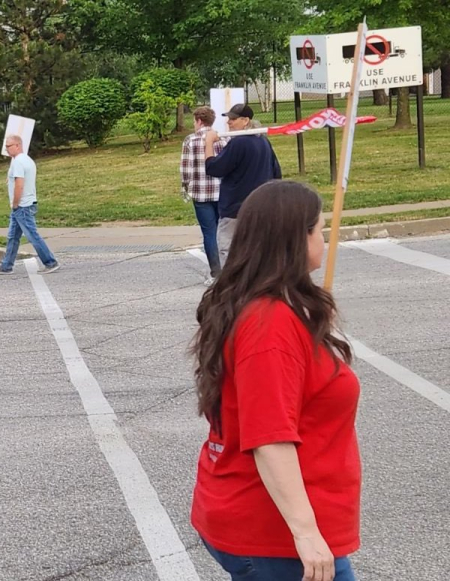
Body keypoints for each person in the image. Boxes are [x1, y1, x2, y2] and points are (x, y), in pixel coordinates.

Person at [190, 180, 360, 581]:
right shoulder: (270, 323)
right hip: (273, 534)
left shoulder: (273, 307)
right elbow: (268, 436)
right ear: (295, 239)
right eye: (320, 229)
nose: (325, 238)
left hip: (266, 524)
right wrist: (305, 531)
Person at [204, 103, 282, 267]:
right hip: (260, 207)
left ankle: (233, 287)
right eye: (228, 119)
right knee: (257, 251)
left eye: (233, 119)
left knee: (229, 250)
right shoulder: (263, 142)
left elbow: (214, 168)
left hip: (236, 209)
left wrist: (209, 143)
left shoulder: (238, 143)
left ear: (245, 120)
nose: (229, 122)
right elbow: (276, 173)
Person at [0, 134, 59, 275]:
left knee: (32, 235)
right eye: (6, 146)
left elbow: (19, 185)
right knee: (13, 236)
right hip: (25, 204)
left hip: (22, 206)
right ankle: (6, 265)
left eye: (9, 146)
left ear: (18, 145)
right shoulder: (26, 160)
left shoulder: (18, 162)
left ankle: (50, 261)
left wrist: (16, 204)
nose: (7, 149)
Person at [180, 106, 225, 285]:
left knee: (209, 232)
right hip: (221, 191)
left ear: (199, 120)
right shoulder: (221, 139)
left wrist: (185, 186)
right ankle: (228, 267)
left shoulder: (190, 140)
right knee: (223, 231)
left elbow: (186, 168)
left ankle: (216, 272)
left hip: (200, 192)